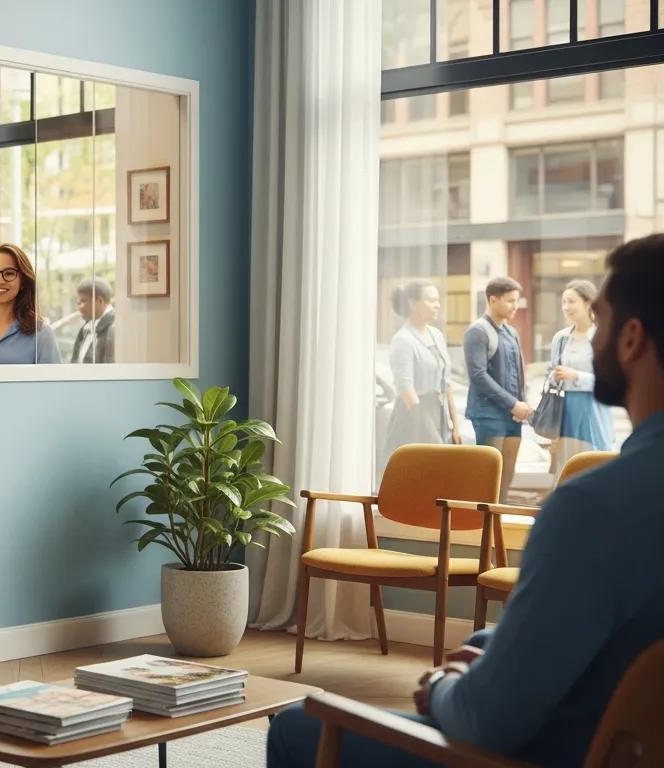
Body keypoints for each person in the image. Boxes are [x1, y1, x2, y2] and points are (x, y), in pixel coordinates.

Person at [266, 233, 664, 767]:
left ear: (632, 339)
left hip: (552, 752)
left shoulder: (592, 510)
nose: (591, 339)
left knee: (296, 726)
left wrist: (441, 686)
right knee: (482, 640)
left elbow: (485, 721)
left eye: (601, 319)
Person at [381, 281, 463, 474]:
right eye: (431, 300)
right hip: (413, 417)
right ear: (413, 304)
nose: (437, 305)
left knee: (438, 472)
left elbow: (447, 383)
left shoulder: (436, 335)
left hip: (438, 412)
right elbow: (406, 389)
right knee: (418, 472)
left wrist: (455, 426)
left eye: (438, 300)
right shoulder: (403, 339)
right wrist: (428, 429)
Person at [463, 276, 531, 502]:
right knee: (488, 478)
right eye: (510, 301)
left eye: (516, 301)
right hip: (489, 415)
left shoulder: (511, 332)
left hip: (513, 417)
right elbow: (478, 376)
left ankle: (498, 521)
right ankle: (481, 523)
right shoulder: (477, 331)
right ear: (493, 300)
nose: (515, 306)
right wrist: (513, 404)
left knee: (506, 478)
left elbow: (518, 373)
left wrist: (522, 404)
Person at [548, 279, 614, 473]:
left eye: (571, 301)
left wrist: (576, 375)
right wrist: (555, 377)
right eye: (564, 302)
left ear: (588, 303)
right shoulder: (561, 338)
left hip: (594, 407)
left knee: (594, 462)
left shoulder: (603, 336)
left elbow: (608, 380)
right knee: (567, 465)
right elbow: (550, 374)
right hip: (565, 409)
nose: (566, 307)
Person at [70, 278, 116, 364]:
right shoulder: (87, 328)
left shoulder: (113, 329)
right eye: (78, 303)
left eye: (83, 301)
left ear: (100, 301)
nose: (79, 307)